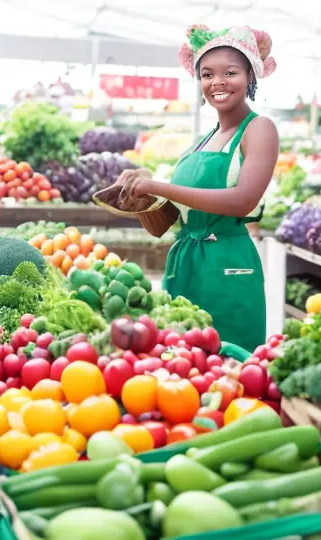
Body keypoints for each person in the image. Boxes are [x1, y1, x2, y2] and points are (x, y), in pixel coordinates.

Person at [115, 25, 279, 353]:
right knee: (182, 368)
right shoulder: (200, 142)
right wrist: (139, 196)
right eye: (207, 74)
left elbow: (242, 201)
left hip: (228, 268)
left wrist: (162, 186)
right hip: (186, 266)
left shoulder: (259, 129)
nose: (216, 82)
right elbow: (169, 221)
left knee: (229, 366)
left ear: (250, 77)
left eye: (230, 72)